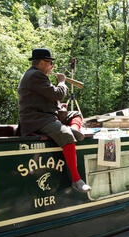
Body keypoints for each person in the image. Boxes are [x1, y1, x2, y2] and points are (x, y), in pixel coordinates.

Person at [18, 48, 91, 193]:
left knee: (76, 115)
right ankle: (76, 180)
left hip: (47, 115)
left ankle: (75, 129)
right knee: (66, 135)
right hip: (37, 119)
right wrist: (62, 82)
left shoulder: (36, 75)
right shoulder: (35, 75)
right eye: (50, 62)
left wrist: (60, 108)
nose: (52, 66)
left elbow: (47, 98)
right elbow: (57, 94)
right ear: (40, 62)